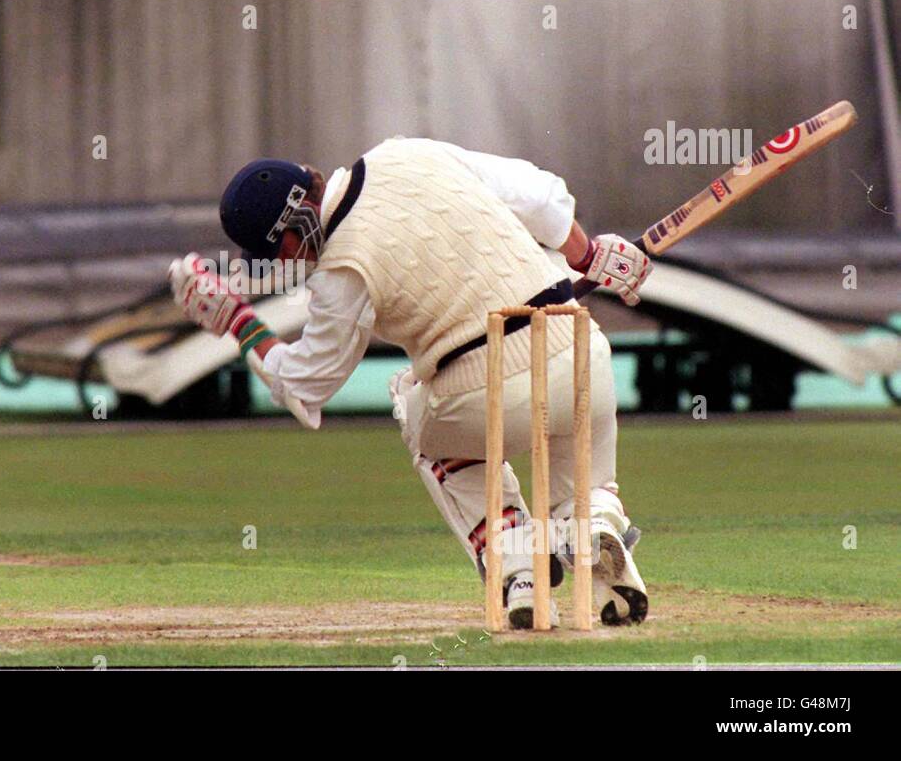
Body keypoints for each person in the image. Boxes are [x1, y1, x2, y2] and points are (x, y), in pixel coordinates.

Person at [169, 137, 652, 627]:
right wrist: (586, 253)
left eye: (279, 248)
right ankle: (593, 527)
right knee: (579, 469)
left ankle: (518, 565)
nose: (283, 262)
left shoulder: (341, 271)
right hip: (580, 351)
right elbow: (538, 196)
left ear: (298, 220)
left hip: (483, 392)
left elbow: (303, 384)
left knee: (415, 408)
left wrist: (238, 322)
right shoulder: (408, 153)